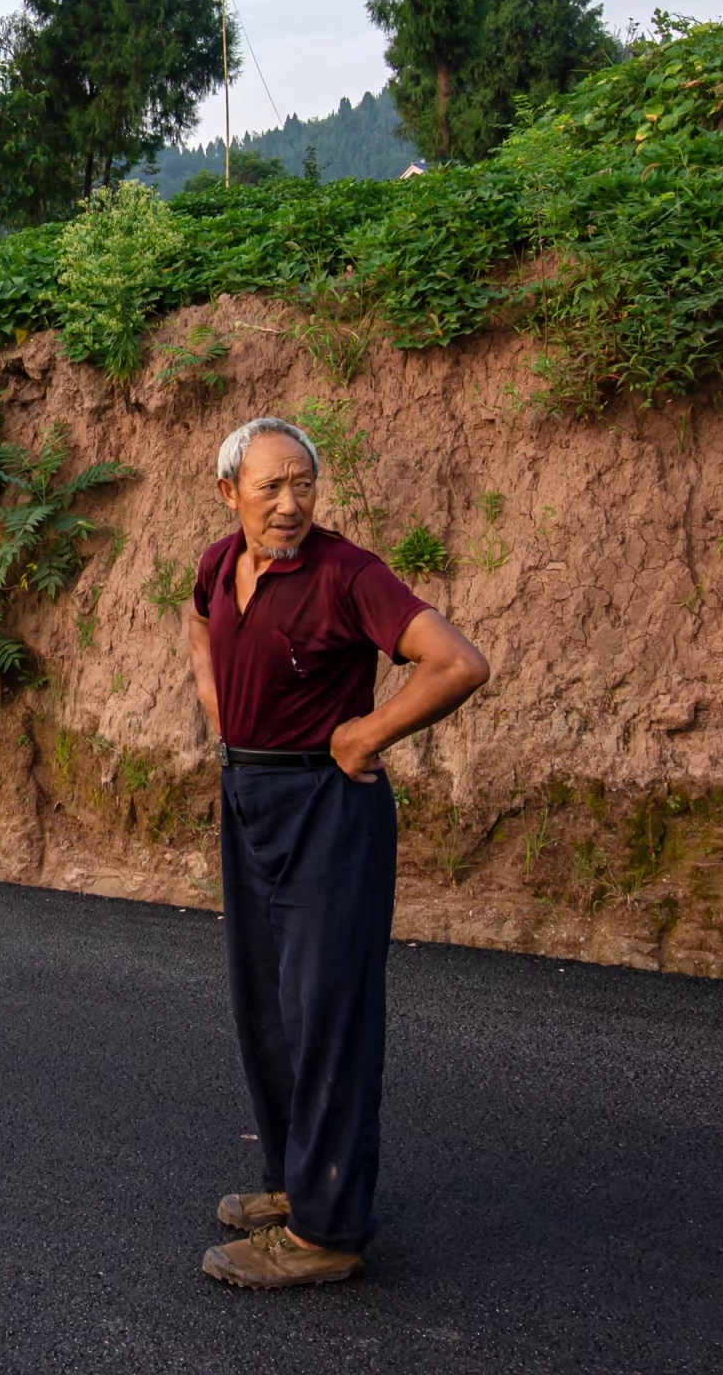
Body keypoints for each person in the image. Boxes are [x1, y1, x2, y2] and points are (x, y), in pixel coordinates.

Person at [185, 415, 489, 1290]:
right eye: (270, 487)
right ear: (228, 493)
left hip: (327, 808)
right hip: (248, 799)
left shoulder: (348, 574)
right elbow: (197, 622)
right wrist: (217, 710)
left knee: (328, 1015)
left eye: (303, 485)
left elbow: (458, 663)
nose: (289, 504)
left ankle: (329, 1234)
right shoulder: (218, 563)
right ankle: (294, 1184)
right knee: (268, 1008)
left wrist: (365, 733)